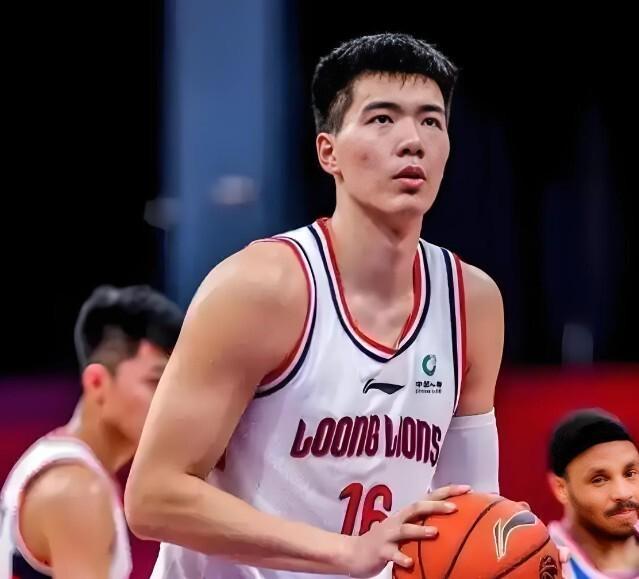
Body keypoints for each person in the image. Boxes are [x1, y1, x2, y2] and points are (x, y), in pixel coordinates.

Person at [126, 33, 505, 579]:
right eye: (382, 119)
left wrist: (512, 553)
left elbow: (472, 506)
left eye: (431, 121)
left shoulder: (473, 302)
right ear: (329, 152)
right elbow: (153, 497)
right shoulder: (261, 288)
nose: (412, 141)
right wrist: (343, 552)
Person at [0, 285, 183, 578]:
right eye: (156, 382)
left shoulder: (67, 468)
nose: (170, 401)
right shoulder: (77, 490)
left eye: (176, 385)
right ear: (97, 382)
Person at [547, 408, 639, 578]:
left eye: (630, 474)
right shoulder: (542, 564)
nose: (623, 493)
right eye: (599, 479)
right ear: (561, 488)